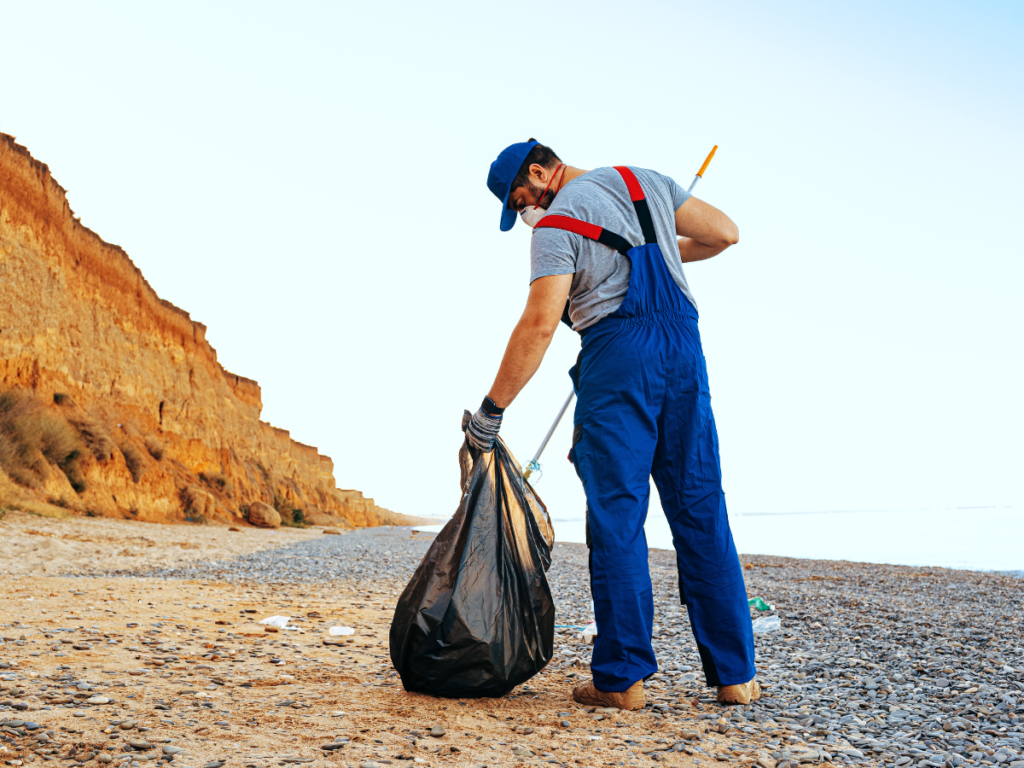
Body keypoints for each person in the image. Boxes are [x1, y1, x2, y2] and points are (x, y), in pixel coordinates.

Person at [465, 139, 759, 710]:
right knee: (700, 506)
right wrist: (659, 250)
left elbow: (539, 325)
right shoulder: (642, 180)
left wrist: (491, 411)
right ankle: (736, 678)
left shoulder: (555, 226)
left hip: (616, 355)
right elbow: (725, 233)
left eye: (521, 200)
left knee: (617, 515)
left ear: (538, 172)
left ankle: (622, 680)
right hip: (683, 352)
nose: (526, 214)